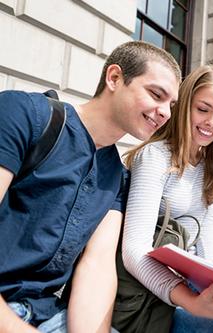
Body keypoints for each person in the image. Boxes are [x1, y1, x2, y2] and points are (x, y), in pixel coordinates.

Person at [0, 41, 181, 332]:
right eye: (156, 94)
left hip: (45, 314)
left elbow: (96, 268)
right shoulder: (24, 115)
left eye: (171, 105)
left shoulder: (118, 178)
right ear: (114, 78)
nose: (165, 113)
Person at [119, 65, 213, 332]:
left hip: (194, 281)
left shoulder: (212, 164)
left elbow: (208, 234)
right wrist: (191, 299)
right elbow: (134, 252)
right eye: (203, 109)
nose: (211, 123)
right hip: (157, 289)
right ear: (184, 106)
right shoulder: (155, 157)